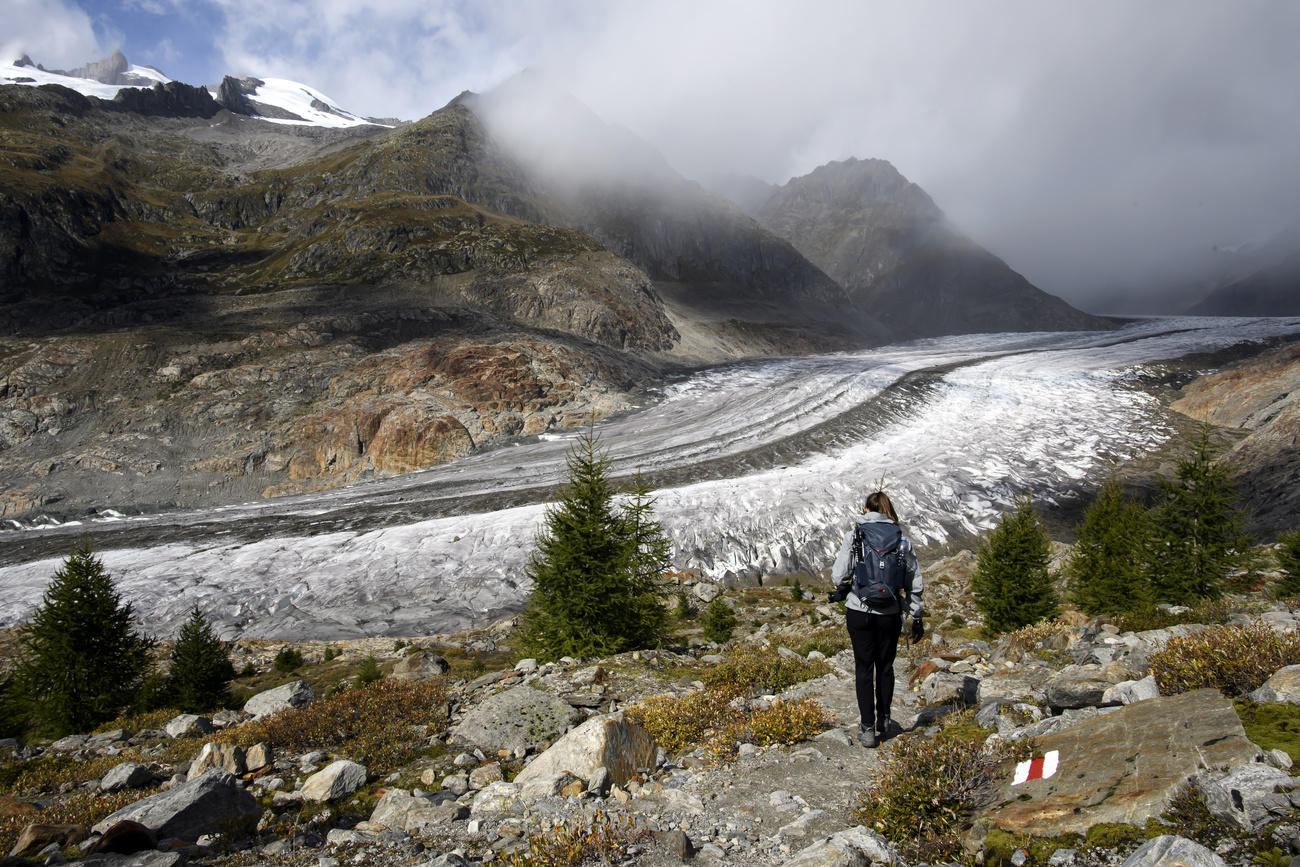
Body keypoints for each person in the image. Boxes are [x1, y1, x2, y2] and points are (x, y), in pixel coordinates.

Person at [828, 490, 923, 748]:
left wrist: (846, 587)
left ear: (867, 510)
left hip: (859, 611)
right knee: (885, 667)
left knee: (863, 668)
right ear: (888, 510)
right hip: (890, 614)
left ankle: (867, 729)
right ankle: (885, 720)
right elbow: (913, 580)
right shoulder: (902, 539)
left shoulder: (856, 534)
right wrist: (917, 614)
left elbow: (839, 576)